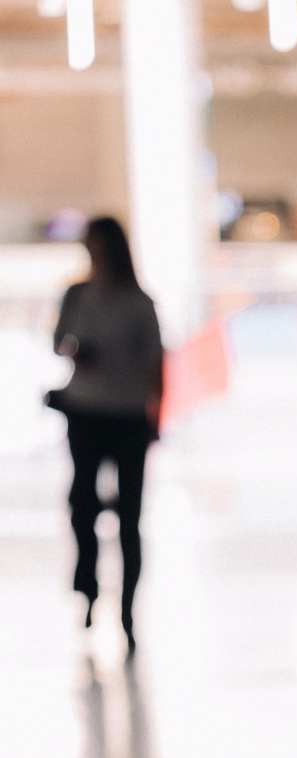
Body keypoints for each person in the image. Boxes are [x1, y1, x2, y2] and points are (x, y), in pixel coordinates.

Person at [50, 214, 162, 651]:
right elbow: (59, 341)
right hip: (86, 409)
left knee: (129, 516)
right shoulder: (77, 294)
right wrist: (77, 351)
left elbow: (156, 363)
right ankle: (89, 587)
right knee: (81, 503)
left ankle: (128, 609)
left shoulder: (138, 303)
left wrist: (156, 416)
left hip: (129, 413)